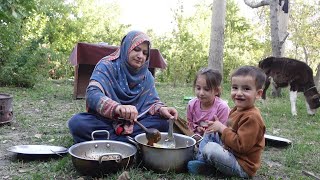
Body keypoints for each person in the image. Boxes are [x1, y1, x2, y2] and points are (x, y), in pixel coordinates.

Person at [68, 30, 178, 143]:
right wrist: (117, 108)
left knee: (163, 122)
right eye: (136, 49)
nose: (140, 56)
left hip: (136, 122)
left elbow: (152, 102)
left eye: (145, 53)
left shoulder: (147, 76)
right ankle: (130, 141)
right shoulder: (107, 65)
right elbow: (92, 94)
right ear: (126, 48)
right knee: (77, 123)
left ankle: (112, 140)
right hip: (107, 121)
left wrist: (161, 109)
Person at [188, 65, 266, 178]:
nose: (239, 93)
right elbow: (229, 134)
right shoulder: (237, 109)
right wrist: (216, 128)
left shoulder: (252, 118)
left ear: (258, 94)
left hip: (241, 164)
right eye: (235, 87)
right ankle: (202, 161)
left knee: (211, 149)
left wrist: (222, 129)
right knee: (210, 133)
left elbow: (241, 146)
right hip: (230, 151)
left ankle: (208, 165)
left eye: (246, 89)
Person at [187, 67, 230, 137]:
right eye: (198, 88)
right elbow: (189, 124)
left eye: (206, 89)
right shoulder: (191, 104)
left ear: (216, 91)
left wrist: (212, 129)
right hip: (195, 138)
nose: (201, 93)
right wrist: (197, 128)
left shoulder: (222, 107)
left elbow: (225, 131)